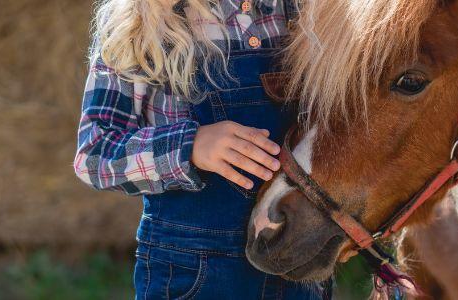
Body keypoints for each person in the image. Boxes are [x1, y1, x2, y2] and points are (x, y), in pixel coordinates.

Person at [73, 0, 329, 298]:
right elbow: (95, 155)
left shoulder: (304, 12)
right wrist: (190, 147)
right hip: (192, 272)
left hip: (298, 265)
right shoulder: (139, 20)